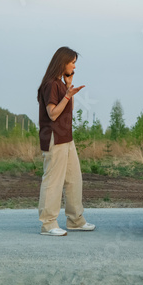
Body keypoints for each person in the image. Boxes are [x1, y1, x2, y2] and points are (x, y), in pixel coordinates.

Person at [37, 46, 95, 236]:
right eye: (72, 63)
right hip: (54, 138)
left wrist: (68, 86)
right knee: (53, 181)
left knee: (74, 180)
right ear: (63, 63)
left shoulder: (60, 84)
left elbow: (64, 110)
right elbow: (53, 114)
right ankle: (48, 224)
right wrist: (68, 95)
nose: (74, 67)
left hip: (66, 139)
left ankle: (75, 220)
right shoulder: (51, 84)